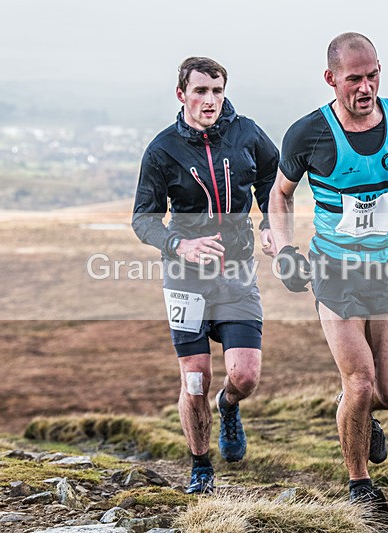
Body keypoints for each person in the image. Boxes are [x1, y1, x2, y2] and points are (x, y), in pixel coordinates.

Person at [268, 32, 388, 506]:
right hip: (333, 271)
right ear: (331, 80)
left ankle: (353, 413)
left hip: (386, 272)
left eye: (373, 76)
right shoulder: (308, 134)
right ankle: (359, 485)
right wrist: (285, 250)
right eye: (354, 79)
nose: (366, 88)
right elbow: (280, 194)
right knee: (359, 381)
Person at [132, 57, 279, 494]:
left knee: (245, 376)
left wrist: (271, 220)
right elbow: (143, 220)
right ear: (182, 94)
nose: (210, 100)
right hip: (184, 277)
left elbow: (275, 176)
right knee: (194, 377)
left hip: (236, 272)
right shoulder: (162, 150)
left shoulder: (247, 132)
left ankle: (229, 406)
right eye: (200, 91)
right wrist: (181, 245)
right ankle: (201, 467)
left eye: (216, 91)